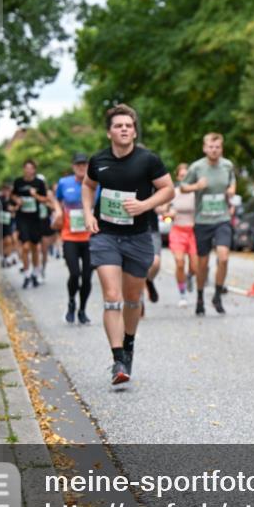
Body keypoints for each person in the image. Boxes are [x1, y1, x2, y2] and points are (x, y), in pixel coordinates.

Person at [82, 104, 174, 386]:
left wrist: (144, 205)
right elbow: (88, 186)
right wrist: (87, 214)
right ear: (109, 132)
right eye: (119, 125)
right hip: (106, 235)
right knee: (112, 295)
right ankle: (118, 359)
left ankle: (129, 342)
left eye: (129, 126)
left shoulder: (148, 160)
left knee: (132, 298)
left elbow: (168, 189)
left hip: (137, 238)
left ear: (134, 131)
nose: (124, 129)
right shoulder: (98, 161)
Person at [179, 133, 236, 315]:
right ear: (205, 148)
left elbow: (232, 181)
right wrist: (196, 187)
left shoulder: (227, 165)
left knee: (224, 257)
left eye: (217, 147)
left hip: (222, 219)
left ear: (221, 148)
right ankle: (200, 297)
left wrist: (232, 189)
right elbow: (182, 187)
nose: (214, 150)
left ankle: (217, 295)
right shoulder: (197, 167)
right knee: (201, 264)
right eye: (210, 147)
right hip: (203, 221)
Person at [54, 153, 94, 325]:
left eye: (84, 164)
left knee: (86, 277)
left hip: (91, 237)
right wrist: (57, 211)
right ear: (73, 166)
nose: (81, 167)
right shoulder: (64, 183)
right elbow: (57, 200)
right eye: (78, 165)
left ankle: (82, 310)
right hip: (69, 236)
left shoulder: (95, 183)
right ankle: (71, 302)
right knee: (74, 273)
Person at [12, 160, 49, 289]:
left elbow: (45, 199)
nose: (28, 170)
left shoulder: (39, 183)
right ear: (23, 169)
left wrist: (35, 195)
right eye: (26, 168)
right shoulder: (18, 182)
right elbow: (13, 195)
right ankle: (27, 274)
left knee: (35, 247)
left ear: (34, 170)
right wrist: (17, 200)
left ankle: (35, 272)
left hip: (35, 219)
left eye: (31, 168)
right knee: (25, 246)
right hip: (22, 218)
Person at [168, 163, 197, 307]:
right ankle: (182, 293)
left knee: (195, 266)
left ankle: (190, 276)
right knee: (180, 263)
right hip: (178, 231)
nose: (184, 178)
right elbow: (164, 209)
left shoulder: (196, 193)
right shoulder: (174, 193)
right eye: (181, 175)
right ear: (177, 176)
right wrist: (168, 214)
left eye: (187, 175)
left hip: (194, 232)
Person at [0, 183, 17, 267]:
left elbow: (16, 208)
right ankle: (2, 257)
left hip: (9, 222)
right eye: (4, 190)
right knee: (1, 241)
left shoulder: (12, 200)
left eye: (7, 190)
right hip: (0, 222)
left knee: (9, 240)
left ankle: (8, 257)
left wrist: (14, 210)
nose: (6, 192)